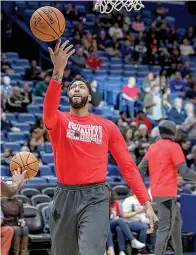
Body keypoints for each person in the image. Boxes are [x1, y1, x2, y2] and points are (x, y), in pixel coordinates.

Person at [43, 39, 157, 255]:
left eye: (81, 87)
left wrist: (146, 202)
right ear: (68, 96)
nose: (76, 89)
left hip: (95, 196)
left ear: (89, 97)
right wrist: (58, 72)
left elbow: (128, 167)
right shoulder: (59, 121)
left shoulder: (107, 127)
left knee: (91, 250)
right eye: (72, 87)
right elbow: (48, 109)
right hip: (64, 195)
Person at [138, 120, 196, 255]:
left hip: (157, 193)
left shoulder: (153, 147)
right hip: (167, 195)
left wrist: (140, 188)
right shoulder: (174, 147)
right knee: (165, 229)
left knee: (176, 222)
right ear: (173, 132)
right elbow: (185, 172)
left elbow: (140, 169)